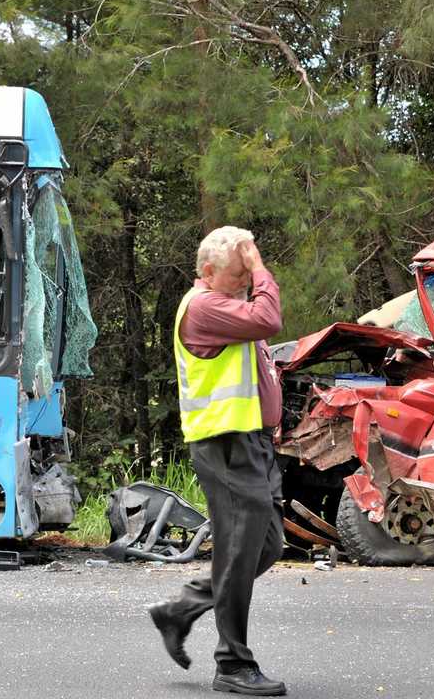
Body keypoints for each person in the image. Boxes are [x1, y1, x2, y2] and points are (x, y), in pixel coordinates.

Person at [147, 226, 286, 696]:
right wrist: (262, 266)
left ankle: (182, 608)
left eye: (249, 275)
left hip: (253, 443)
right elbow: (269, 318)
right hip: (225, 443)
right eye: (237, 273)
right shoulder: (206, 306)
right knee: (240, 549)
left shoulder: (230, 303)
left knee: (266, 546)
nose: (247, 281)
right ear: (207, 272)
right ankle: (232, 663)